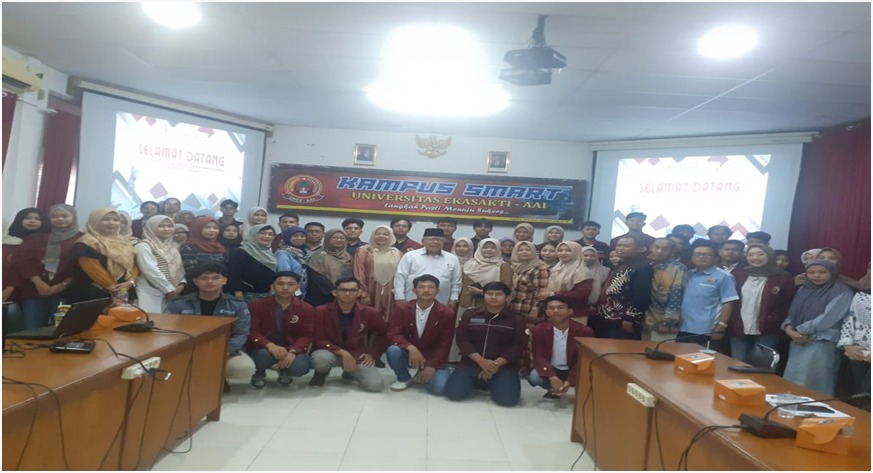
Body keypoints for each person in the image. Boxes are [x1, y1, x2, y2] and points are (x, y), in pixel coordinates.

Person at [165, 263, 255, 392]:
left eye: (215, 277)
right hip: (188, 349)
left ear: (224, 280)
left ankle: (217, 378)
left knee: (244, 368)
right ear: (195, 281)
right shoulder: (178, 304)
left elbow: (241, 333)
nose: (210, 281)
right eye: (204, 278)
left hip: (224, 351)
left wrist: (226, 351)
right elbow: (169, 332)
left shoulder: (238, 305)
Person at [443, 282, 528, 407]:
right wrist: (481, 362)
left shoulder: (517, 319)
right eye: (489, 294)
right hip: (472, 363)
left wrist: (495, 365)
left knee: (507, 401)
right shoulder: (470, 315)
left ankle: (491, 381)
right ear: (483, 295)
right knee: (453, 394)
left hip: (503, 366)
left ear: (507, 297)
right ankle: (481, 381)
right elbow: (462, 340)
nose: (493, 297)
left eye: (498, 294)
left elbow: (518, 345)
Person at [782, 260, 853, 395]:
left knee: (815, 384)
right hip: (798, 341)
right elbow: (792, 312)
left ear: (832, 273)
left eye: (822, 272)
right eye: (811, 272)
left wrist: (800, 331)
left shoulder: (842, 292)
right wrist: (788, 329)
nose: (816, 276)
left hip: (822, 342)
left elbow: (828, 318)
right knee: (793, 381)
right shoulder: (804, 289)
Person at [310, 277, 388, 391]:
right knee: (321, 359)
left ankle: (350, 372)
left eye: (352, 290)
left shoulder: (369, 312)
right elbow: (318, 338)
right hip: (329, 351)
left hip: (356, 353)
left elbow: (383, 333)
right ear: (334, 292)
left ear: (359, 293)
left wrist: (372, 354)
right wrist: (342, 353)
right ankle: (321, 373)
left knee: (375, 385)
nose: (347, 293)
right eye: (343, 290)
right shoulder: (321, 311)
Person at [386, 274, 455, 394]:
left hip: (433, 355)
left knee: (439, 389)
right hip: (409, 353)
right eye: (422, 287)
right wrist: (410, 347)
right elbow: (394, 333)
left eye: (431, 287)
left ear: (437, 291)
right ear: (414, 290)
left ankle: (428, 372)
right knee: (393, 350)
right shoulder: (402, 308)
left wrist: (432, 366)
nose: (426, 290)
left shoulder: (447, 313)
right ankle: (404, 377)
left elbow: (445, 343)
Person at [727, 244, 795, 362]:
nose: (755, 258)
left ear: (769, 255)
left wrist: (775, 318)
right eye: (751, 254)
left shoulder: (783, 277)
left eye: (760, 254)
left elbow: (787, 303)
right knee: (737, 362)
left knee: (761, 364)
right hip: (739, 326)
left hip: (768, 327)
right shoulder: (738, 275)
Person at [15, 204, 81, 328]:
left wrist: (62, 285)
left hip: (66, 291)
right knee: (32, 330)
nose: (60, 219)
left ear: (73, 217)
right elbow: (24, 261)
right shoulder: (36, 237)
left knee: (61, 330)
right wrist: (38, 283)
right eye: (55, 216)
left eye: (65, 215)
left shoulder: (81, 238)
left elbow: (79, 265)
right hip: (35, 290)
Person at [246, 272, 313, 388]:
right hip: (264, 348)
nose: (285, 287)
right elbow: (252, 331)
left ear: (297, 287)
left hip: (290, 346)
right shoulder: (256, 305)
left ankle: (284, 371)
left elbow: (307, 335)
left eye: (290, 284)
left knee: (300, 367)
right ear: (272, 286)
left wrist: (293, 351)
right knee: (262, 356)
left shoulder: (306, 308)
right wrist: (269, 345)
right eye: (280, 284)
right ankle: (259, 373)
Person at [528, 295, 594, 400]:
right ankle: (554, 389)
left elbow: (582, 360)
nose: (556, 311)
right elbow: (539, 356)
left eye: (560, 307)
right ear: (547, 312)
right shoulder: (539, 330)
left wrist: (570, 380)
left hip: (573, 369)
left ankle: (568, 389)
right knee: (534, 377)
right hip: (553, 368)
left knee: (590, 374)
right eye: (551, 308)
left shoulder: (584, 331)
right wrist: (552, 376)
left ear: (570, 311)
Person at [678, 240, 738, 354]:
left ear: (715, 258)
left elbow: (728, 302)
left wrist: (721, 325)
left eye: (706, 254)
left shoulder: (724, 276)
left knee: (702, 361)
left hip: (707, 329)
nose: (701, 257)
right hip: (683, 326)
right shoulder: (688, 274)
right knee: (682, 358)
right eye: (697, 254)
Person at [70, 208, 139, 303]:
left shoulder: (125, 241)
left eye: (116, 220)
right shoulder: (86, 242)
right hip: (96, 292)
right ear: (95, 221)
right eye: (105, 219)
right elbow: (92, 268)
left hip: (126, 289)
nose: (111, 223)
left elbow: (134, 265)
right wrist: (111, 286)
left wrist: (130, 282)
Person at [591, 236, 651, 340]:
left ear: (639, 249)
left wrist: (630, 318)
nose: (620, 248)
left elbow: (641, 295)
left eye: (626, 246)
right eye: (619, 245)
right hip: (607, 317)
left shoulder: (642, 267)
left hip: (623, 320)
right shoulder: (621, 264)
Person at [394, 228, 462, 309]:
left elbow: (456, 281)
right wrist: (399, 297)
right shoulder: (410, 256)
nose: (435, 242)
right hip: (411, 300)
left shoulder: (452, 258)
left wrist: (454, 298)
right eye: (431, 239)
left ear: (444, 242)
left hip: (442, 302)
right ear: (423, 241)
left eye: (439, 240)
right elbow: (400, 277)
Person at [133, 216, 186, 313]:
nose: (166, 229)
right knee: (151, 318)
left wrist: (182, 284)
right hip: (149, 291)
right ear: (151, 227)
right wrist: (169, 289)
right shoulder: (143, 246)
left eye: (170, 226)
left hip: (172, 291)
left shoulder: (173, 246)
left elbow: (179, 267)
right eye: (161, 226)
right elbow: (150, 270)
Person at [353, 225, 402, 322]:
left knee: (387, 320)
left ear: (391, 236)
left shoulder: (397, 253)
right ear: (372, 235)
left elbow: (400, 275)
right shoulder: (363, 251)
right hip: (369, 290)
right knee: (366, 319)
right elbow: (358, 273)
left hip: (389, 293)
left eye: (385, 234)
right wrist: (363, 293)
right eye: (378, 233)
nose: (381, 236)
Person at [536, 241, 595, 322]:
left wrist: (552, 294)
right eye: (560, 250)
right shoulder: (557, 268)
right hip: (555, 310)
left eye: (568, 250)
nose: (563, 253)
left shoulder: (582, 271)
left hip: (574, 312)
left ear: (576, 252)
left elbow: (581, 294)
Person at [642, 239, 686, 342]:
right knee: (643, 349)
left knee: (661, 350)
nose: (659, 251)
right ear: (651, 248)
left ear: (672, 251)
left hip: (664, 321)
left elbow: (676, 296)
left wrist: (668, 322)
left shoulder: (678, 268)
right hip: (646, 319)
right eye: (656, 247)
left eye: (665, 249)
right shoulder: (648, 265)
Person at [459, 238, 513, 312]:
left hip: (493, 303)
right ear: (480, 248)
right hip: (468, 302)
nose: (488, 250)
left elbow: (506, 287)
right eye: (485, 247)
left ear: (498, 249)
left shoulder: (503, 266)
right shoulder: (469, 264)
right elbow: (464, 285)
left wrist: (481, 292)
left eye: (492, 248)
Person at [227, 224, 278, 300]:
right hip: (244, 295)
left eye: (270, 234)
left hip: (265, 295)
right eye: (262, 233)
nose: (267, 236)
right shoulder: (239, 252)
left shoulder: (270, 253)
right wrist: (238, 293)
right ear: (253, 234)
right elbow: (233, 274)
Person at [305, 228, 353, 306]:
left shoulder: (349, 256)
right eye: (334, 237)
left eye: (342, 238)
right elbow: (316, 278)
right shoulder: (318, 256)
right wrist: (333, 291)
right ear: (327, 239)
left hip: (346, 294)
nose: (338, 240)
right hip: (322, 295)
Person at [838, 290, 871, 397]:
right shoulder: (862, 295)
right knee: (856, 393)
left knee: (866, 395)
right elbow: (849, 320)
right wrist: (848, 345)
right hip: (858, 352)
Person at [509, 241, 550, 324]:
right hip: (513, 308)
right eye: (520, 250)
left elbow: (541, 292)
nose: (524, 252)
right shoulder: (513, 266)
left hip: (528, 309)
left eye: (527, 250)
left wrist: (535, 308)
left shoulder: (540, 268)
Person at [179, 217, 228, 283]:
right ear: (198, 228)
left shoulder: (219, 246)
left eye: (215, 228)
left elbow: (226, 268)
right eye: (207, 227)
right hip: (196, 284)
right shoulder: (189, 247)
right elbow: (190, 270)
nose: (212, 230)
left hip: (219, 284)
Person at [276, 226, 309, 298]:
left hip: (299, 289)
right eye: (295, 236)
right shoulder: (283, 253)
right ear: (288, 237)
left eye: (302, 236)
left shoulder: (303, 253)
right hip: (287, 290)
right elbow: (284, 274)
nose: (299, 238)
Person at [581, 245, 610, 311]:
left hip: (598, 306)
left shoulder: (605, 271)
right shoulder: (574, 270)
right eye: (585, 255)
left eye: (593, 256)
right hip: (576, 305)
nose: (589, 258)